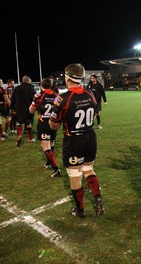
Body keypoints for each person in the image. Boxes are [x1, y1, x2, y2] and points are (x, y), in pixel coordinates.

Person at [49, 63, 105, 218]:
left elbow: (54, 126)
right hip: (90, 138)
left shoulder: (62, 98)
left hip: (73, 140)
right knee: (89, 169)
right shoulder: (90, 95)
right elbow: (93, 115)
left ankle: (80, 210)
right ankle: (98, 197)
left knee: (75, 175)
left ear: (67, 77)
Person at [29, 78, 61, 177]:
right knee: (51, 143)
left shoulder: (38, 96)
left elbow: (31, 111)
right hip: (54, 123)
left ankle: (56, 169)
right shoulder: (57, 96)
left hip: (43, 123)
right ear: (51, 85)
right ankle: (48, 163)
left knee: (45, 146)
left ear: (41, 85)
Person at [11, 75, 36, 146]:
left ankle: (19, 135)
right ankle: (30, 139)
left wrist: (12, 108)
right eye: (30, 80)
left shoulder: (17, 88)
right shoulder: (31, 88)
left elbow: (13, 99)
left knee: (19, 123)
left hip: (18, 108)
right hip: (29, 108)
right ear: (28, 80)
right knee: (28, 123)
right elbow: (34, 99)